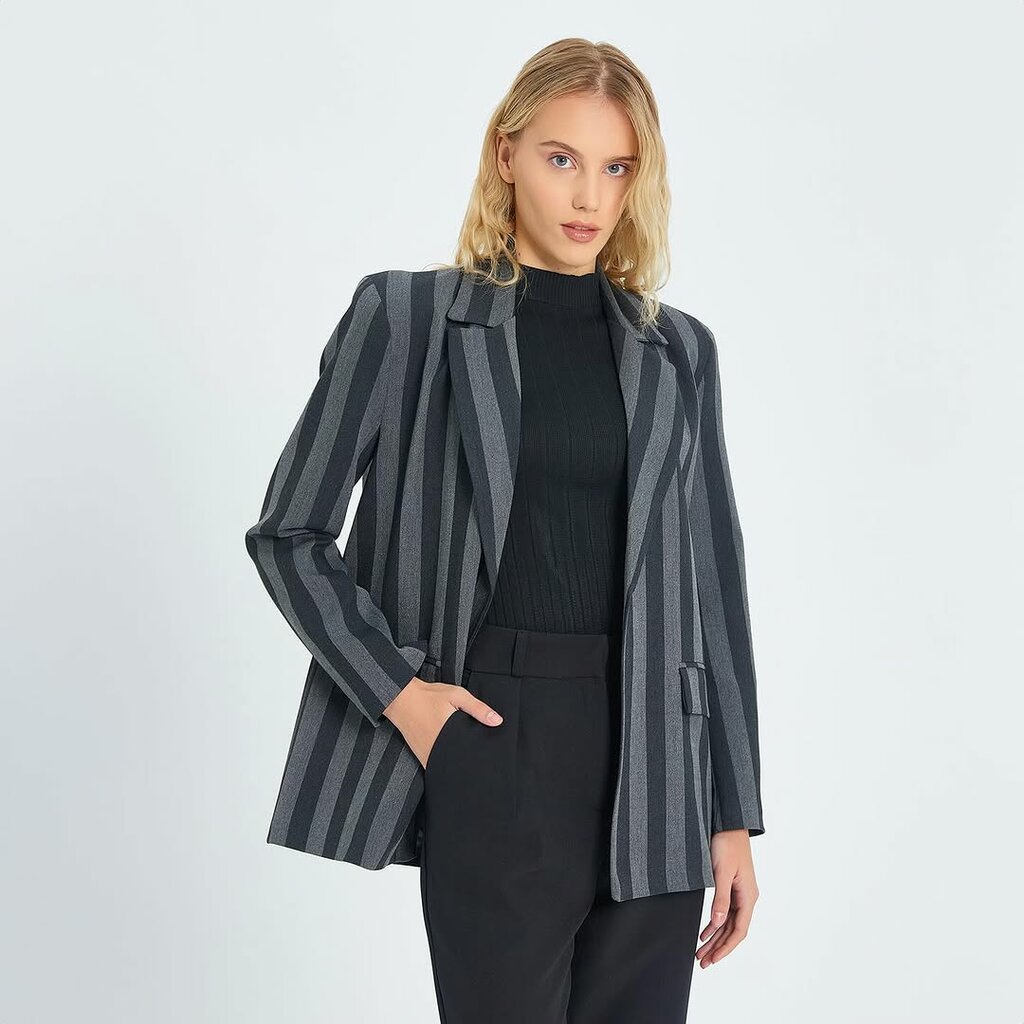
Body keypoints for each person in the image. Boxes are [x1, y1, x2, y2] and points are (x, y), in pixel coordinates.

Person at [244, 37, 765, 1024]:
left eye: (617, 167)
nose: (589, 195)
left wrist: (732, 810)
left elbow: (712, 590)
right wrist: (404, 698)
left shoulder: (677, 350)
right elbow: (290, 534)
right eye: (563, 158)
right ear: (506, 154)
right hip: (494, 736)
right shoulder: (408, 319)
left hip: (659, 756)